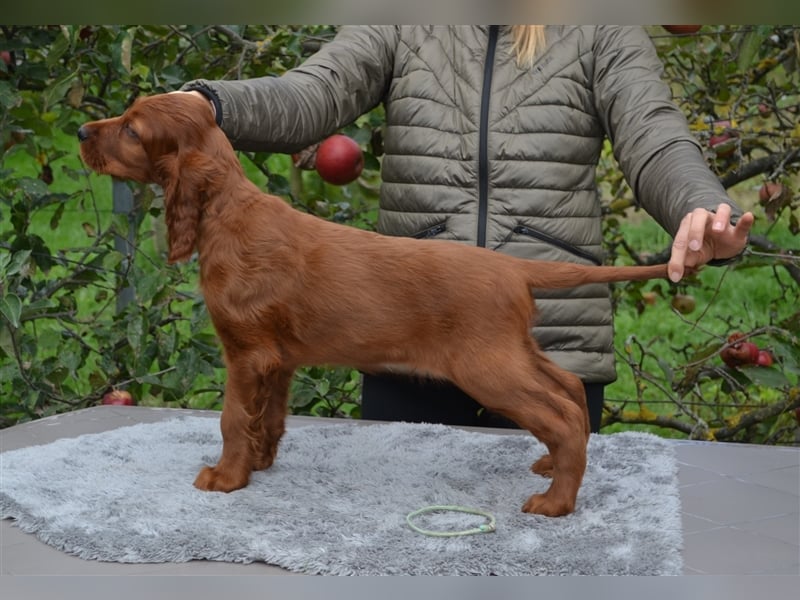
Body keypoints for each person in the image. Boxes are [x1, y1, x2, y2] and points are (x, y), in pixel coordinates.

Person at [180, 25, 753, 432]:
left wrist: (699, 209)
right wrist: (207, 104)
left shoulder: (602, 27)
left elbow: (653, 134)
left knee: (552, 561)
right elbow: (312, 93)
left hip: (550, 343)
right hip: (403, 337)